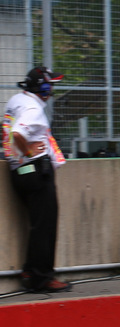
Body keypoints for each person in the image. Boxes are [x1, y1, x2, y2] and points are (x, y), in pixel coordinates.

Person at [3, 67, 70, 293]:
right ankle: (41, 279)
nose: (52, 89)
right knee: (46, 226)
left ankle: (30, 270)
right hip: (36, 170)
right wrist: (30, 152)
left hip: (19, 172)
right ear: (44, 87)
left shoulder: (17, 101)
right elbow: (18, 134)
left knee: (38, 225)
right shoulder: (33, 108)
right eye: (51, 85)